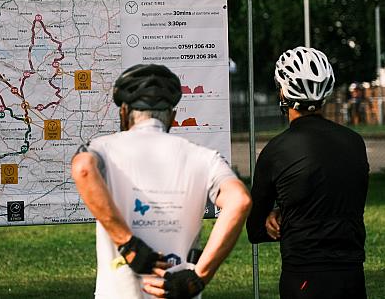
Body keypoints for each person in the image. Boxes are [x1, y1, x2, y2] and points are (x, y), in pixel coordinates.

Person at [72, 64, 251, 299]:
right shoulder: (204, 157)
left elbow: (83, 168)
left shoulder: (103, 148)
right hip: (177, 291)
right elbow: (240, 200)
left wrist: (127, 244)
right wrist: (200, 277)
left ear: (123, 112)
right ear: (172, 117)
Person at [247, 46, 369, 299]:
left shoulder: (276, 150)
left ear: (283, 92)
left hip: (304, 275)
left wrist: (280, 214)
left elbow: (255, 229)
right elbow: (338, 199)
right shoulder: (354, 143)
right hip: (352, 273)